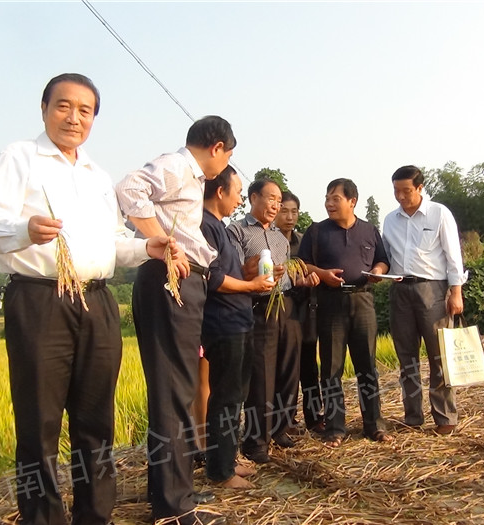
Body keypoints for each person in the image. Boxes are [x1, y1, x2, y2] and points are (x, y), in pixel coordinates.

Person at [0, 73, 178, 525]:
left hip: (97, 303)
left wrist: (149, 247)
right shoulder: (18, 157)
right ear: (44, 109)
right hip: (40, 300)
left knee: (96, 422)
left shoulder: (98, 176)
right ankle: (43, 518)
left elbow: (111, 245)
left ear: (94, 120)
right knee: (40, 423)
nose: (74, 117)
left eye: (85, 110)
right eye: (64, 106)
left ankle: (95, 516)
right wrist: (23, 230)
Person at [115, 115, 236, 525]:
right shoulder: (177, 165)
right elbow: (129, 188)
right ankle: (173, 505)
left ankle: (173, 488)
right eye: (228, 155)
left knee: (179, 388)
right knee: (173, 390)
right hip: (169, 282)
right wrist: (161, 244)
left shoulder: (191, 178)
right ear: (217, 146)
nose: (225, 165)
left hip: (185, 283)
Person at [227, 178, 319, 464]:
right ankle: (255, 441)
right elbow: (234, 272)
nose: (276, 206)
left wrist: (300, 280)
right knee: (261, 375)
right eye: (271, 199)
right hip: (258, 306)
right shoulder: (237, 232)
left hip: (287, 304)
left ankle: (280, 428)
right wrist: (248, 270)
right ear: (253, 198)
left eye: (279, 201)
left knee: (288, 370)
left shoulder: (280, 238)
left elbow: (287, 275)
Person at [298, 178, 393, 448]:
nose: (329, 203)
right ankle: (335, 427)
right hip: (330, 303)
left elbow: (383, 260)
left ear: (352, 201)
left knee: (367, 367)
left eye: (335, 198)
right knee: (331, 368)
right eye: (327, 198)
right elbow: (302, 264)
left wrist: (378, 272)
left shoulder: (370, 231)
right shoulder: (316, 232)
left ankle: (374, 425)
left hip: (363, 300)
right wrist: (322, 274)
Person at [200, 166, 275, 488]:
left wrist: (249, 275)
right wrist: (252, 285)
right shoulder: (205, 226)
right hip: (223, 324)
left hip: (238, 321)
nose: (240, 198)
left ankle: (227, 460)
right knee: (226, 397)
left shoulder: (219, 226)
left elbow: (229, 272)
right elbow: (213, 278)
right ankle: (220, 471)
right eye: (238, 191)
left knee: (235, 396)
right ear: (220, 191)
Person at [381, 165, 468, 435]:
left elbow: (453, 255)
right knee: (406, 357)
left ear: (420, 188)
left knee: (439, 356)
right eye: (396, 191)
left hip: (433, 289)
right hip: (400, 290)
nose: (401, 196)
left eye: (406, 191)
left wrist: (456, 292)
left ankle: (445, 417)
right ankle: (413, 416)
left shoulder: (439, 213)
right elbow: (386, 256)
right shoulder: (390, 219)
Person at [275, 191, 324, 433]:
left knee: (309, 366)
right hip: (278, 310)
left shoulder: (304, 242)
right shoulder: (268, 242)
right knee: (286, 368)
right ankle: (286, 419)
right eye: (284, 210)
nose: (289, 216)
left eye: (294, 211)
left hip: (306, 311)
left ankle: (314, 417)